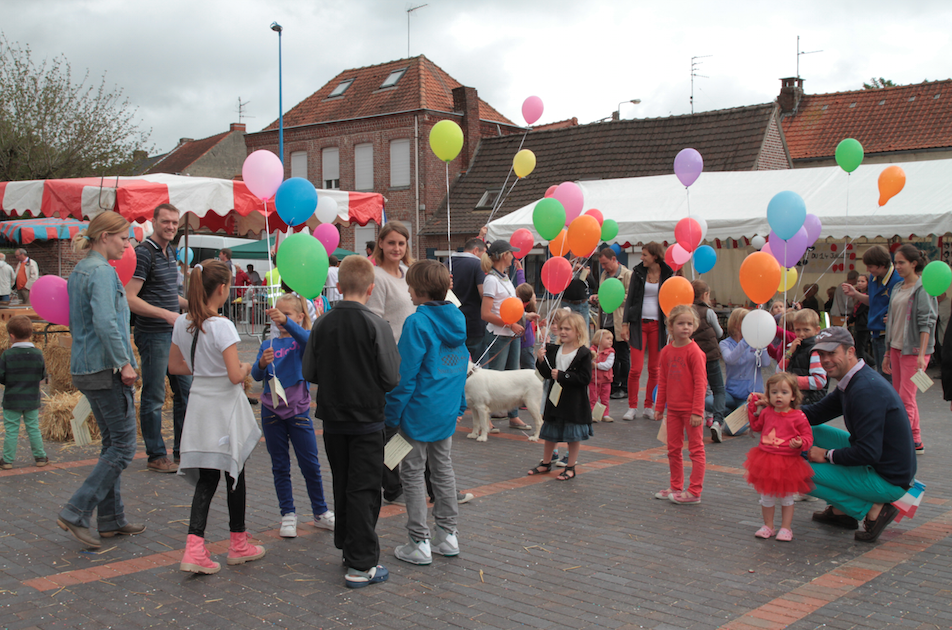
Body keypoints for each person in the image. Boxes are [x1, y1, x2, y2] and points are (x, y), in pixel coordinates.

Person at [302, 255, 401, 588]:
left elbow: (308, 371)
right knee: (364, 489)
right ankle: (360, 564)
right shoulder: (377, 324)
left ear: (339, 286)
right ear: (371, 289)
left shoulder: (322, 323)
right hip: (368, 420)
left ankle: (348, 547)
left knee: (343, 483)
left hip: (332, 419)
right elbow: (390, 377)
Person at [169, 260, 264, 574]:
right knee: (235, 474)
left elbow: (176, 367)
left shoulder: (182, 323)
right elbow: (236, 375)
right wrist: (249, 367)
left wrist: (203, 368)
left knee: (208, 478)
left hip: (199, 403)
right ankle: (238, 542)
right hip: (224, 407)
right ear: (223, 288)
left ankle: (194, 546)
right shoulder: (222, 324)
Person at [58, 211, 143, 549]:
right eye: (123, 237)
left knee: (111, 445)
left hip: (85, 366)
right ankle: (76, 511)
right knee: (123, 447)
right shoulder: (103, 273)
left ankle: (111, 518)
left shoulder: (80, 271)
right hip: (104, 368)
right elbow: (108, 323)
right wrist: (124, 363)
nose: (127, 243)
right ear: (105, 236)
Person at [795, 327, 916, 543]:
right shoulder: (853, 380)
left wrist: (827, 455)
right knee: (807, 430)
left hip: (889, 478)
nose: (825, 360)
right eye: (821, 354)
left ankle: (873, 508)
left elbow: (868, 453)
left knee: (793, 473)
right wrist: (776, 409)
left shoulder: (864, 390)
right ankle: (842, 512)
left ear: (850, 351)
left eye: (832, 353)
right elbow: (815, 414)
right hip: (881, 462)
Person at [385, 260, 468, 565]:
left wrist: (392, 414)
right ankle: (447, 534)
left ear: (418, 289)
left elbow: (405, 375)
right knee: (443, 470)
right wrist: (460, 403)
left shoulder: (417, 323)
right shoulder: (457, 318)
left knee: (412, 473)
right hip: (445, 410)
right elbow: (460, 365)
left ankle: (418, 540)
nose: (407, 291)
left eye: (409, 286)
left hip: (417, 411)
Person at [252, 293, 335, 539]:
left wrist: (289, 323)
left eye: (286, 314)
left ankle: (320, 511)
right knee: (280, 465)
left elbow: (310, 341)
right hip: (271, 412)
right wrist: (262, 364)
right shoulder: (267, 344)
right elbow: (256, 376)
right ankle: (287, 513)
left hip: (298, 412)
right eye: (277, 313)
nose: (280, 318)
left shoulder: (301, 341)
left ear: (300, 317)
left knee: (310, 464)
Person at [126, 203, 191, 473]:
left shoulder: (170, 252)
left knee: (185, 393)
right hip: (153, 334)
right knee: (153, 397)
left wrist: (191, 305)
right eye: (166, 222)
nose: (171, 227)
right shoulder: (143, 254)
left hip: (174, 333)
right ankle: (155, 455)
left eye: (175, 222)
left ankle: (181, 450)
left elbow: (164, 293)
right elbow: (130, 298)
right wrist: (166, 315)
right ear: (153, 222)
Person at [367, 221, 416, 504]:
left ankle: (411, 477)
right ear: (381, 244)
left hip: (413, 357)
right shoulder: (376, 276)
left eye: (402, 243)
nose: (397, 248)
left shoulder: (410, 273)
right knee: (391, 426)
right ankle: (391, 481)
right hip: (390, 360)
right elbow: (374, 321)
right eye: (392, 243)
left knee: (411, 422)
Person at [743, 373, 814, 542]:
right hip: (766, 460)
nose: (778, 396)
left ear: (793, 396)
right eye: (774, 392)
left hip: (788, 463)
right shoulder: (767, 412)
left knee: (786, 497)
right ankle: (768, 525)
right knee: (766, 496)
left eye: (784, 392)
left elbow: (808, 436)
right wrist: (753, 408)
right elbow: (757, 426)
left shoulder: (798, 416)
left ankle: (786, 527)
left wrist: (800, 443)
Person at [882, 244, 936, 454]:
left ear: (914, 264)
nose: (897, 267)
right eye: (895, 263)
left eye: (901, 262)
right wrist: (887, 352)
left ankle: (903, 441)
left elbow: (927, 322)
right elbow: (892, 321)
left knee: (905, 398)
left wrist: (922, 355)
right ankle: (915, 439)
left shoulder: (923, 288)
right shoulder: (897, 287)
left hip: (913, 351)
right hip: (896, 347)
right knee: (902, 397)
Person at [528, 312, 592, 481]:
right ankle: (546, 462)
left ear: (578, 331)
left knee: (573, 435)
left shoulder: (584, 353)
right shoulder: (554, 349)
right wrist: (541, 360)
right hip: (555, 400)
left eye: (567, 329)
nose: (563, 332)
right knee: (550, 432)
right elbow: (546, 374)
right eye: (561, 328)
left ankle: (571, 467)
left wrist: (564, 376)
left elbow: (585, 378)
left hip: (574, 402)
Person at [653, 304, 707, 505]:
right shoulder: (666, 352)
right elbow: (663, 381)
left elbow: (701, 383)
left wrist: (697, 412)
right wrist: (660, 407)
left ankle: (694, 491)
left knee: (696, 450)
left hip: (691, 411)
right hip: (673, 411)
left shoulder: (695, 352)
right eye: (681, 323)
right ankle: (676, 486)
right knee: (673, 449)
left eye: (689, 324)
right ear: (671, 326)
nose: (685, 327)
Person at [480, 240, 531, 431]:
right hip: (499, 335)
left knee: (512, 377)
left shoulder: (504, 277)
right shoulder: (491, 279)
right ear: (503, 255)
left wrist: (523, 317)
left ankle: (514, 416)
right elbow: (485, 314)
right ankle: (487, 419)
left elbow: (510, 306)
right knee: (495, 379)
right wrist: (510, 324)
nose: (514, 256)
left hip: (510, 334)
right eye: (511, 253)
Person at [622, 242, 673, 421]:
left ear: (655, 257)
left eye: (644, 255)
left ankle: (649, 406)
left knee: (654, 369)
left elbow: (673, 297)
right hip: (638, 324)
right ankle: (632, 406)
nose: (641, 258)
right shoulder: (637, 272)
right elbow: (630, 300)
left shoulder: (667, 273)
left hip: (658, 326)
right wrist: (625, 323)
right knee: (635, 368)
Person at [841, 245, 902, 375]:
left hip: (889, 334)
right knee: (882, 372)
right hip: (875, 332)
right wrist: (855, 294)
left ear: (882, 265)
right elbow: (873, 302)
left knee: (888, 375)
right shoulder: (874, 279)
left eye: (870, 266)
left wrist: (895, 317)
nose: (868, 270)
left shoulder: (898, 280)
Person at [0, 315, 48, 469]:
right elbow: (42, 375)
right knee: (33, 427)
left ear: (11, 335)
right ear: (31, 334)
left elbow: (1, 377)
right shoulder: (38, 354)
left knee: (12, 429)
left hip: (12, 399)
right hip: (32, 398)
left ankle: (7, 460)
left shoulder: (7, 355)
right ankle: (40, 456)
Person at [708, 308, 761, 436]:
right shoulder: (725, 343)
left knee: (730, 430)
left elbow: (765, 363)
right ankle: (735, 413)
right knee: (708, 401)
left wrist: (761, 345)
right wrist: (744, 341)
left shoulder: (755, 342)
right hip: (732, 393)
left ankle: (746, 413)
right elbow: (730, 359)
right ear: (737, 323)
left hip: (751, 395)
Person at [592, 248, 632, 400]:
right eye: (601, 264)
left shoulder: (627, 275)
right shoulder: (604, 275)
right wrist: (598, 298)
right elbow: (604, 294)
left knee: (622, 354)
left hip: (620, 321)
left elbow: (631, 297)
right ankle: (613, 384)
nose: (604, 267)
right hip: (606, 321)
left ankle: (625, 386)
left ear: (614, 259)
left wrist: (613, 299)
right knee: (608, 353)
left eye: (606, 263)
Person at [691, 280, 727, 442]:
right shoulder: (708, 311)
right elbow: (719, 333)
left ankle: (698, 416)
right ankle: (717, 421)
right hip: (711, 355)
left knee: (698, 387)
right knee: (718, 389)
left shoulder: (688, 310)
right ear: (705, 295)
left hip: (694, 356)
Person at [778, 309, 828, 406]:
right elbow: (779, 371)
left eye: (806, 330)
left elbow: (819, 381)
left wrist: (791, 380)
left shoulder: (815, 351)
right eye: (798, 330)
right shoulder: (794, 347)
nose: (801, 334)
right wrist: (789, 352)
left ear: (816, 330)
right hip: (795, 398)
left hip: (809, 401)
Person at [450, 237, 487, 360]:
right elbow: (483, 294)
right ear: (476, 250)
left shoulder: (447, 263)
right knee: (479, 368)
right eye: (484, 253)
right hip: (474, 324)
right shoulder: (478, 265)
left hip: (452, 323)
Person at [589, 329, 615, 423]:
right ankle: (592, 414)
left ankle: (605, 414)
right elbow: (588, 361)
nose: (610, 341)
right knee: (593, 398)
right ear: (599, 340)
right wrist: (593, 357)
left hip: (606, 380)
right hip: (594, 379)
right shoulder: (592, 350)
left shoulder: (611, 352)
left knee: (605, 398)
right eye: (607, 338)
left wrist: (596, 365)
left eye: (611, 339)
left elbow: (608, 365)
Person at [515, 280, 539, 370]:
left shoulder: (523, 311)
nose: (535, 302)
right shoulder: (525, 310)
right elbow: (522, 284)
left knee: (528, 368)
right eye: (535, 300)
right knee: (527, 367)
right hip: (527, 344)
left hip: (525, 344)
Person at [847, 274, 869, 362]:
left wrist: (850, 319)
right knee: (860, 347)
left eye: (863, 281)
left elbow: (857, 311)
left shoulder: (866, 296)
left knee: (860, 348)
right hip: (860, 324)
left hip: (864, 324)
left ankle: (867, 364)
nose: (860, 283)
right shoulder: (859, 295)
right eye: (858, 281)